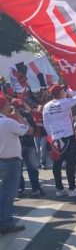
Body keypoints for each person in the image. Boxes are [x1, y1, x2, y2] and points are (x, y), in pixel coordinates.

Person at [43, 84, 76, 197]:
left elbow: (45, 123)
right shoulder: (65, 102)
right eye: (63, 90)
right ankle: (72, 188)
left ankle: (59, 189)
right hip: (67, 135)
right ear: (60, 92)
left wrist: (51, 135)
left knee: (57, 163)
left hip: (55, 137)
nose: (64, 91)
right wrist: (73, 89)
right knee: (70, 163)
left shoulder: (46, 106)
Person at [0, 95, 31, 235]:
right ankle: (5, 223)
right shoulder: (8, 122)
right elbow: (29, 130)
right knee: (8, 193)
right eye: (7, 104)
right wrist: (18, 116)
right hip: (10, 162)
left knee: (4, 193)